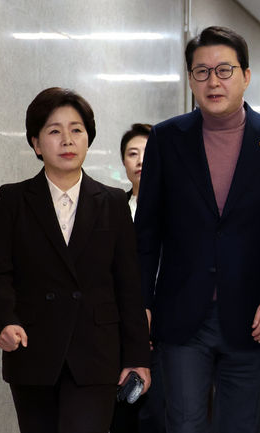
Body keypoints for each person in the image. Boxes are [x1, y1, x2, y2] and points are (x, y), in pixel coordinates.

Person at [135, 26, 260, 433]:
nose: (213, 81)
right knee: (184, 425)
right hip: (181, 314)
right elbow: (146, 235)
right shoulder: (166, 139)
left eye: (224, 70)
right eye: (202, 71)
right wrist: (141, 304)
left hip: (254, 316)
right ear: (190, 79)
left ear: (246, 76)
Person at [0, 87, 151, 433]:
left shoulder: (112, 202)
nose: (67, 140)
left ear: (88, 138)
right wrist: (4, 321)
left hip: (96, 353)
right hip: (33, 350)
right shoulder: (13, 199)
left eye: (76, 130)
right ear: (36, 143)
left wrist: (137, 357)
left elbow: (129, 285)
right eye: (54, 131)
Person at [111, 122, 166, 433]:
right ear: (123, 161)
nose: (141, 160)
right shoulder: (113, 207)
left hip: (166, 327)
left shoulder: (177, 211)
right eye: (132, 153)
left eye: (148, 152)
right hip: (122, 327)